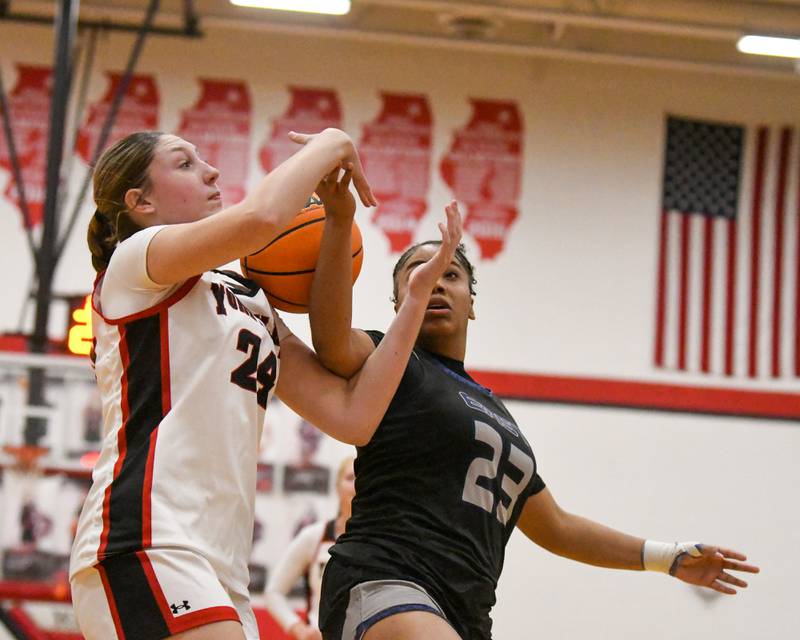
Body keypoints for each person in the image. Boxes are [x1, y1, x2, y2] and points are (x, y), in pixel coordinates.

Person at [69, 128, 463, 640]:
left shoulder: (250, 301)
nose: (211, 171)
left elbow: (353, 416)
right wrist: (335, 142)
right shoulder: (133, 263)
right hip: (145, 536)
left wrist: (404, 291)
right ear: (140, 202)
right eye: (184, 163)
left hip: (222, 564)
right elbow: (262, 219)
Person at [307, 202, 761, 640]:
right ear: (398, 301)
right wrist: (339, 221)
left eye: (451, 274)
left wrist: (669, 557)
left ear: (472, 304)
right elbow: (330, 342)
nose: (437, 284)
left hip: (465, 611)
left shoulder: (498, 418)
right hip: (385, 579)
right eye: (420, 276)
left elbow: (558, 527)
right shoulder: (392, 362)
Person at [265, 456, 356, 640]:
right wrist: (299, 630)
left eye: (362, 477)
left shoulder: (381, 539)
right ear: (337, 486)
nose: (356, 485)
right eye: (350, 478)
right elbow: (273, 593)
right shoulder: (315, 536)